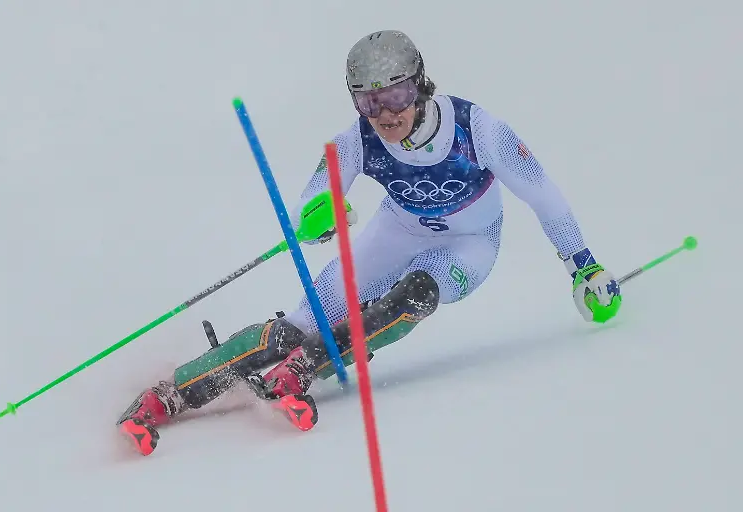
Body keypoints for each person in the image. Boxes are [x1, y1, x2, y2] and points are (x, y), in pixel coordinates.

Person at [117, 29, 622, 454]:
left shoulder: (477, 129)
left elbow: (544, 195)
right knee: (296, 326)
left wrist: (584, 265)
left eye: (396, 95)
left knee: (418, 294)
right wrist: (322, 213)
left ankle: (304, 368)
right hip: (396, 233)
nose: (384, 113)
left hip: (469, 244)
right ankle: (167, 395)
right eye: (367, 100)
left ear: (420, 86)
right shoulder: (356, 140)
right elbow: (314, 196)